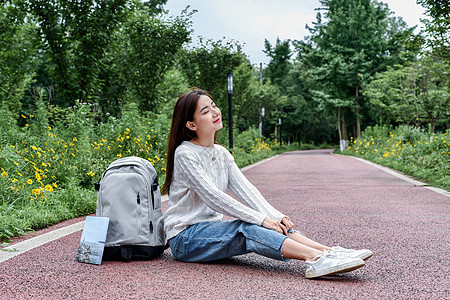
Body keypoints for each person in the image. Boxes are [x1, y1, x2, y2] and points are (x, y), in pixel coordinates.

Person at [162, 89, 373, 279]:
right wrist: (261, 219)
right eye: (206, 111)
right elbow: (213, 197)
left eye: (214, 105)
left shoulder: (222, 153)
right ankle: (316, 259)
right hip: (185, 239)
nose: (215, 112)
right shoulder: (185, 153)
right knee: (247, 227)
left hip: (208, 231)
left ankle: (328, 251)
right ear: (191, 124)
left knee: (272, 223)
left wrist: (275, 216)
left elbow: (247, 191)